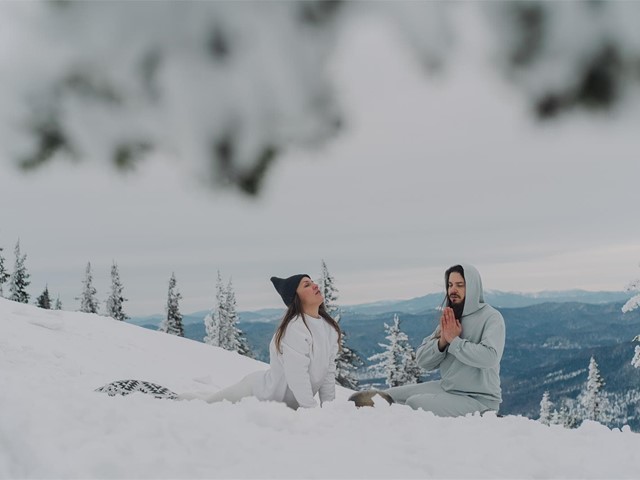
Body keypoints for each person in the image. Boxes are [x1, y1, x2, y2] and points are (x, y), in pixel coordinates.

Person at [349, 264, 506, 417]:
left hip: (479, 400)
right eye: (450, 285)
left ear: (473, 288)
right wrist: (442, 343)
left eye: (460, 285)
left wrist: (454, 341)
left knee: (414, 404)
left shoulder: (491, 317)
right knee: (384, 397)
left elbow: (490, 357)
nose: (453, 290)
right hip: (447, 388)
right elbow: (423, 361)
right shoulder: (452, 317)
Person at [178, 274, 341, 409]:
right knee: (206, 405)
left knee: (208, 403)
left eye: (312, 282)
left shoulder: (328, 329)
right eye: (306, 285)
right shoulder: (296, 329)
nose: (314, 285)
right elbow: (297, 375)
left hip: (280, 403)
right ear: (295, 298)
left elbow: (327, 372)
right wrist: (311, 410)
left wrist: (329, 408)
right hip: (257, 394)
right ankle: (173, 400)